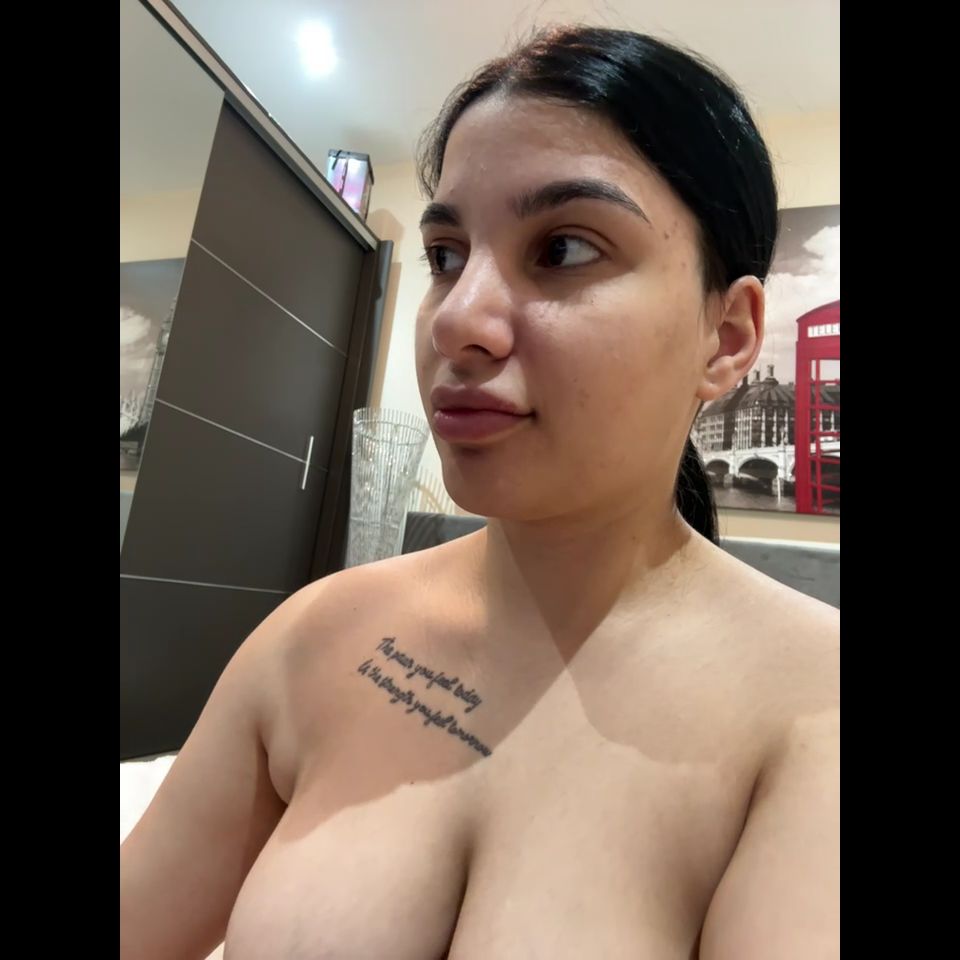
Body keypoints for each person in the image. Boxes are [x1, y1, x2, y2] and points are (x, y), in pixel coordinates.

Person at [121, 25, 839, 960]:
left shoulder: (814, 711)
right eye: (447, 254)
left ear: (728, 336)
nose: (457, 319)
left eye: (564, 249)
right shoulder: (314, 637)